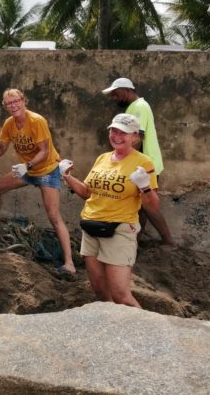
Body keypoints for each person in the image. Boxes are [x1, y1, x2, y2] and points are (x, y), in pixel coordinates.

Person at [61, 113, 161, 307]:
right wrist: (67, 177)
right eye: (114, 130)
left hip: (119, 230)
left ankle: (149, 331)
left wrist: (145, 186)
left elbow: (153, 206)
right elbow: (87, 193)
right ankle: (113, 332)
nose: (117, 135)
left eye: (123, 132)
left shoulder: (144, 163)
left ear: (135, 137)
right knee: (100, 292)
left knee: (121, 295)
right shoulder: (103, 158)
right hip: (91, 228)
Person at [0, 89, 76, 274]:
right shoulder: (9, 124)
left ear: (24, 101)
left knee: (53, 216)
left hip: (46, 170)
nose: (13, 105)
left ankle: (69, 263)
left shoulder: (37, 121)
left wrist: (28, 166)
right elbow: (1, 147)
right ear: (5, 106)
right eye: (9, 103)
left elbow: (44, 151)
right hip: (26, 169)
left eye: (16, 101)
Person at [102, 77, 174, 247]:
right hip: (144, 163)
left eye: (115, 93)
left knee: (148, 205)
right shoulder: (134, 107)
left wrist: (125, 160)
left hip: (145, 164)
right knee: (141, 206)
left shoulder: (139, 107)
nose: (114, 97)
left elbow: (137, 137)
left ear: (127, 90)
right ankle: (135, 242)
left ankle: (168, 241)